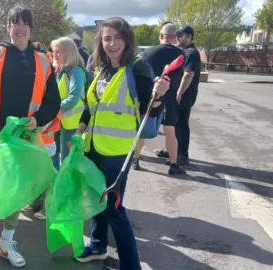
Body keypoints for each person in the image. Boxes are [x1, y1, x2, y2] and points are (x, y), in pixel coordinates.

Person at [0, 5, 60, 268]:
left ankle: (6, 242)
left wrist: (37, 120)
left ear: (30, 28)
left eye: (25, 22)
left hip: (24, 140)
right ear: (8, 27)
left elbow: (53, 102)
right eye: (15, 23)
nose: (20, 27)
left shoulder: (43, 61)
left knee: (15, 194)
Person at [73, 17, 169, 269]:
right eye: (107, 39)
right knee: (96, 200)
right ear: (100, 42)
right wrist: (78, 131)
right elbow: (91, 108)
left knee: (114, 210)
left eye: (117, 37)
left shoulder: (137, 70)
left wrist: (159, 95)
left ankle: (131, 265)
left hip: (117, 154)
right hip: (92, 148)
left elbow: (152, 108)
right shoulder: (101, 70)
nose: (112, 43)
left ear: (127, 40)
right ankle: (98, 245)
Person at [138, 22, 186, 175]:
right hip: (170, 96)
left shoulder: (149, 52)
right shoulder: (181, 54)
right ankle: (173, 164)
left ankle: (135, 160)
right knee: (170, 131)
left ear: (161, 36)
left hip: (151, 95)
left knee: (142, 129)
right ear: (174, 37)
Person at [154, 26, 201, 166]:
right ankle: (171, 149)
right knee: (173, 123)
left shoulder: (191, 52)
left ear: (190, 37)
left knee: (181, 124)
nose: (178, 38)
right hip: (180, 93)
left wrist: (179, 92)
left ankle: (182, 155)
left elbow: (188, 74)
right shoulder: (184, 51)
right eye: (178, 35)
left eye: (182, 35)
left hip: (185, 95)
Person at [50, 37, 86, 169]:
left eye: (58, 52)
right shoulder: (61, 70)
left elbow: (73, 98)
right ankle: (55, 184)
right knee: (53, 154)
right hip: (58, 122)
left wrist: (52, 109)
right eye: (54, 52)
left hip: (70, 124)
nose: (54, 55)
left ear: (68, 52)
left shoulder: (75, 71)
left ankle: (64, 187)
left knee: (67, 161)